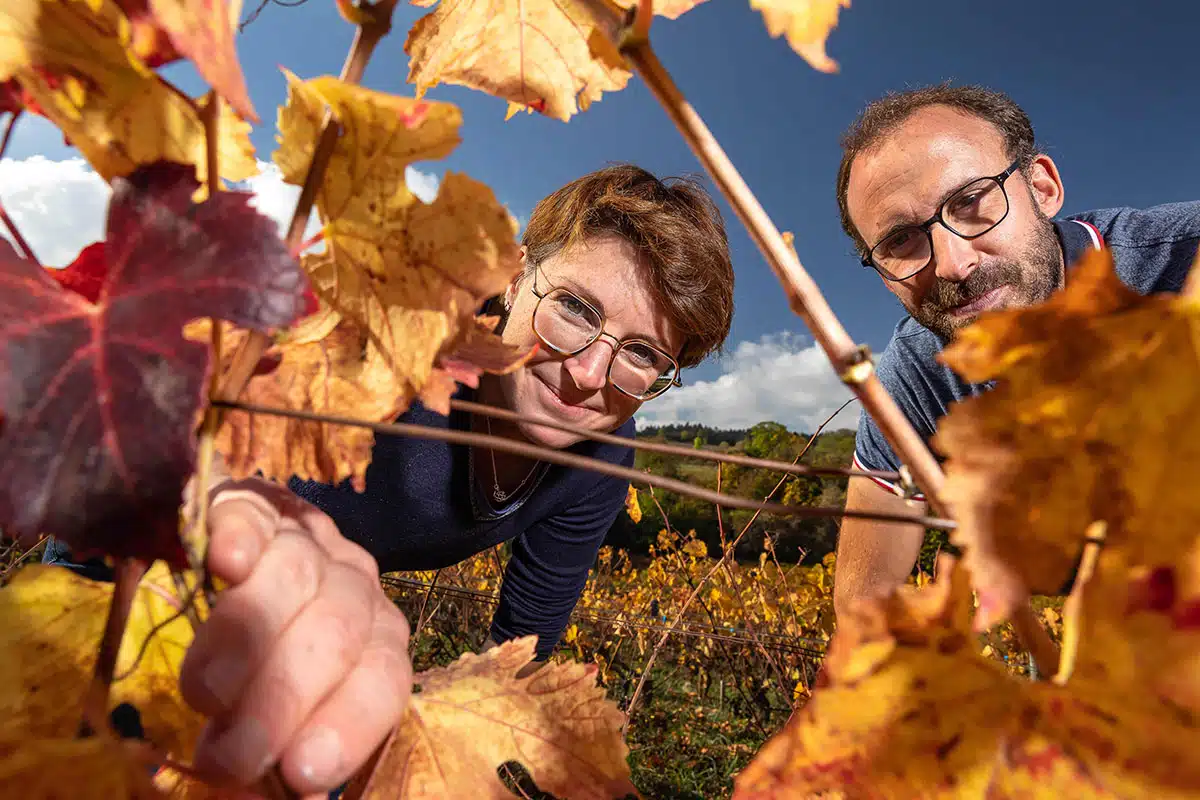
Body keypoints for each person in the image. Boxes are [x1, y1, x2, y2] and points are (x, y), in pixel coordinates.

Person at [43, 164, 736, 795]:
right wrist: (217, 492)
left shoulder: (601, 460)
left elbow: (517, 656)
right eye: (576, 309)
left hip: (311, 639)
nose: (588, 374)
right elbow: (189, 400)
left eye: (642, 353)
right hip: (139, 554)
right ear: (518, 275)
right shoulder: (407, 325)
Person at [830, 83, 1200, 618]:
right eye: (901, 241)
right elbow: (863, 606)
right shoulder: (916, 377)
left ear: (1042, 188)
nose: (955, 264)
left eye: (971, 201)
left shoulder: (1183, 263)